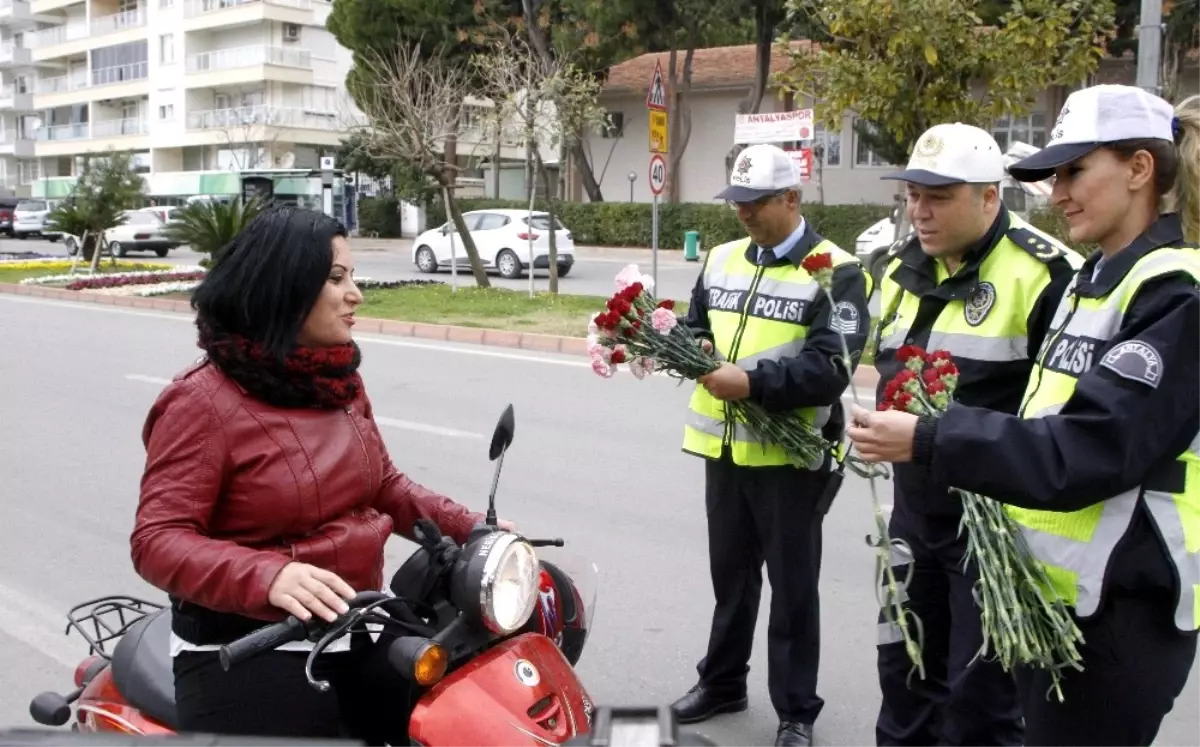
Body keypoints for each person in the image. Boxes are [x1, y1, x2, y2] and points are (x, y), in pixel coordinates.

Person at [847, 84, 1200, 747]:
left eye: (1074, 170)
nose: (1056, 191)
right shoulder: (1097, 281)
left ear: (1139, 168)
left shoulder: (1174, 292)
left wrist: (931, 435)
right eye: (1052, 174)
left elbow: (1090, 446)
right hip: (1052, 594)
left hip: (1122, 608)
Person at [129, 206, 515, 744]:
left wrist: (479, 531)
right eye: (336, 278)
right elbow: (157, 540)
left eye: (352, 277)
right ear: (283, 286)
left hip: (358, 627)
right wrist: (269, 576)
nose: (355, 293)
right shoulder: (201, 402)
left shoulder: (337, 381)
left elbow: (384, 486)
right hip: (248, 650)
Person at [869, 123, 1081, 747]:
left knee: (978, 702)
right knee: (903, 675)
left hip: (993, 530)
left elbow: (1061, 424)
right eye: (913, 194)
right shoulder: (896, 267)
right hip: (912, 517)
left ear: (990, 198)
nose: (920, 210)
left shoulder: (1047, 274)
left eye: (940, 195)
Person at [670, 143, 871, 747]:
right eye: (736, 201)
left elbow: (831, 366)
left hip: (792, 459)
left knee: (792, 589)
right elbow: (695, 325)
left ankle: (796, 712)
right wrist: (690, 347)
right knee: (730, 578)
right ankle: (723, 681)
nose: (744, 214)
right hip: (726, 452)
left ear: (792, 198)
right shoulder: (725, 258)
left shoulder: (838, 271)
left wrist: (751, 382)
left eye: (756, 202)